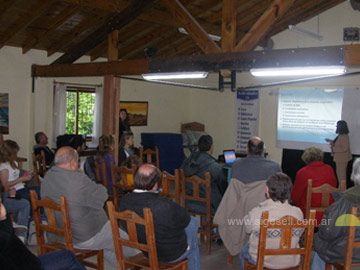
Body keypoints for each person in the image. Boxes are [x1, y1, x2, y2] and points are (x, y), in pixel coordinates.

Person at [41, 146, 140, 267]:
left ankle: (124, 267)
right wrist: (83, 176)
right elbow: (103, 195)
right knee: (127, 242)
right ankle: (141, 261)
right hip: (84, 236)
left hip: (59, 235)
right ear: (72, 162)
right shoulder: (78, 180)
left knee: (108, 246)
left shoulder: (48, 176)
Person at [119, 164, 200, 270]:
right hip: (169, 254)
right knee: (193, 223)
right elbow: (185, 219)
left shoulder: (124, 201)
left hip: (146, 250)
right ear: (155, 185)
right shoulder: (163, 205)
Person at [0, 181, 87, 270]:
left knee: (67, 255)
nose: (3, 207)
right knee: (68, 257)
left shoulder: (4, 230)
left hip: (30, 262)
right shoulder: (4, 236)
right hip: (33, 266)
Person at [239, 173, 303, 269]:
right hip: (291, 261)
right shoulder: (298, 212)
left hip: (264, 261)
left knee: (244, 250)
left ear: (267, 190)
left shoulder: (257, 213)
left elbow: (247, 229)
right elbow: (300, 233)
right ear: (289, 192)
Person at [312, 158, 360, 269]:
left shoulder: (346, 200)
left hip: (347, 253)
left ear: (355, 174)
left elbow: (327, 232)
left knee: (320, 243)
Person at [180, 134, 227, 212]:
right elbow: (223, 187)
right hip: (209, 205)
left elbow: (180, 176)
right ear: (211, 148)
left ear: (198, 147)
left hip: (188, 202)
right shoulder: (215, 167)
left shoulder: (186, 161)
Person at [291, 147, 337, 225]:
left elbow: (295, 197)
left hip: (308, 213)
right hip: (329, 212)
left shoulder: (302, 172)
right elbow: (334, 187)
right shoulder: (329, 169)